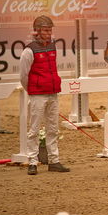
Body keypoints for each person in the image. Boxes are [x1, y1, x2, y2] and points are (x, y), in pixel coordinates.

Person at [20, 15, 70, 175]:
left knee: (53, 128)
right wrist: (32, 91)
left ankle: (54, 160)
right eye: (46, 30)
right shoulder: (29, 50)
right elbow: (23, 76)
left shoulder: (53, 46)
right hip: (37, 95)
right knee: (34, 129)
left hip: (52, 93)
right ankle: (32, 162)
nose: (49, 33)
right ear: (37, 31)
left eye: (50, 30)